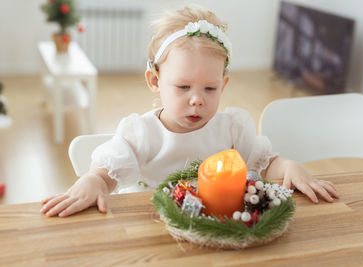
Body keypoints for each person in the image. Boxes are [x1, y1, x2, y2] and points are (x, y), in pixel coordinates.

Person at [41, 6, 339, 217]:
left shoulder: (232, 128)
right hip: (154, 234)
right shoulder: (141, 133)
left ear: (223, 84)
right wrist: (93, 181)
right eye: (183, 87)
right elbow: (106, 175)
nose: (197, 100)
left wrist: (287, 167)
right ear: (155, 81)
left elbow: (264, 162)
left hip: (217, 230)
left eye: (210, 89)